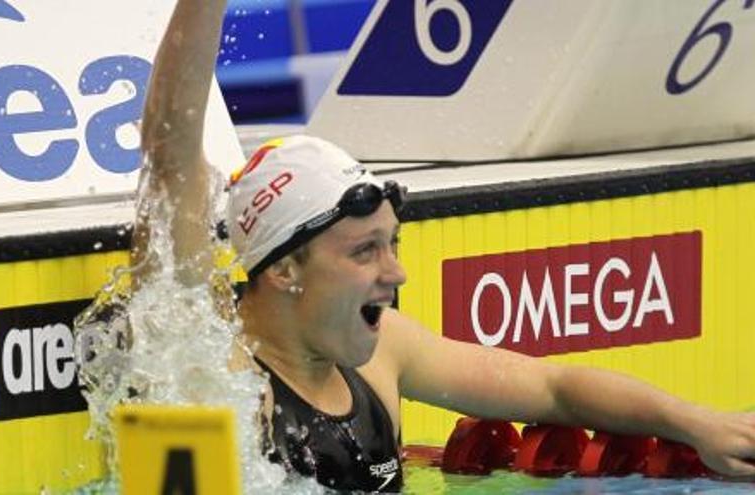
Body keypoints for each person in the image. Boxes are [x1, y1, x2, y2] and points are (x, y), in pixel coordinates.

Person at [134, 0, 755, 491]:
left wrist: (691, 422)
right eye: (364, 252)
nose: (395, 273)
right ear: (286, 267)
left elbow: (554, 389)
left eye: (391, 245)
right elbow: (170, 162)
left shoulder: (385, 354)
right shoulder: (212, 368)